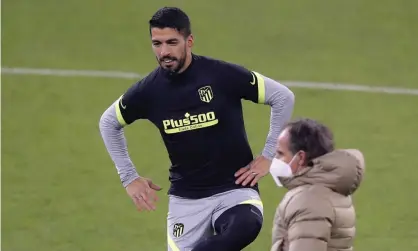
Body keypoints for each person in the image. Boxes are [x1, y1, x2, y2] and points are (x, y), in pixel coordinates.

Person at [99, 6, 295, 251]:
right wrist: (129, 177)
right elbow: (108, 122)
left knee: (245, 226)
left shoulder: (221, 75)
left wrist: (267, 155)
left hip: (234, 189)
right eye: (157, 44)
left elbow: (283, 97)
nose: (164, 52)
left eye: (172, 42)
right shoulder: (148, 91)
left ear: (189, 41)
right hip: (186, 199)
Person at [268, 118, 365, 251]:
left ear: (301, 157)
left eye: (280, 153)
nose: (275, 160)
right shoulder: (330, 190)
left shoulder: (307, 200)